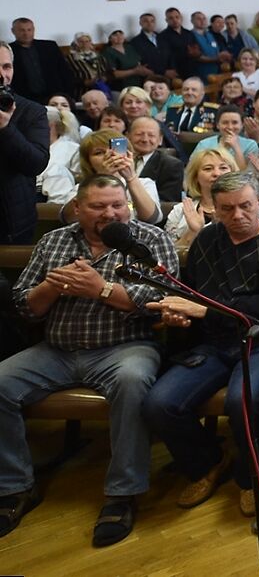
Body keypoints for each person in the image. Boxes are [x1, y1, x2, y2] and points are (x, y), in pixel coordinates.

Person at [0, 176, 177, 546]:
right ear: (78, 208)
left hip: (125, 347)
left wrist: (102, 289)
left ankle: (122, 493)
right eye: (98, 206)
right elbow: (23, 307)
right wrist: (52, 287)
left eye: (117, 205)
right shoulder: (54, 241)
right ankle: (15, 486)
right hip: (57, 350)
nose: (109, 213)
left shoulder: (150, 239)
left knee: (132, 382)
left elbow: (161, 299)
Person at [142, 171, 259, 516]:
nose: (238, 215)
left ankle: (251, 478)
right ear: (213, 209)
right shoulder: (207, 240)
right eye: (227, 209)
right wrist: (180, 315)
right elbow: (190, 292)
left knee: (240, 401)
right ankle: (208, 463)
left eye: (246, 206)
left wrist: (203, 310)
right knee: (160, 403)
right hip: (213, 343)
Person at [0, 44, 50, 243]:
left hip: (11, 222)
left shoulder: (31, 111)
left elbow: (36, 163)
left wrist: (6, 128)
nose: (1, 74)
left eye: (6, 67)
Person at [8, 18, 73, 104]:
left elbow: (65, 72)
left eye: (29, 30)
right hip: (25, 99)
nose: (26, 33)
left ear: (33, 30)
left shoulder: (50, 47)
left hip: (54, 96)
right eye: (22, 30)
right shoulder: (7, 50)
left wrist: (68, 95)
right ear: (13, 31)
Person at [128, 116, 184, 202]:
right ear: (128, 136)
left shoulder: (171, 166)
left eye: (151, 135)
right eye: (139, 134)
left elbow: (167, 203)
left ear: (160, 139)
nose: (145, 139)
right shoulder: (119, 159)